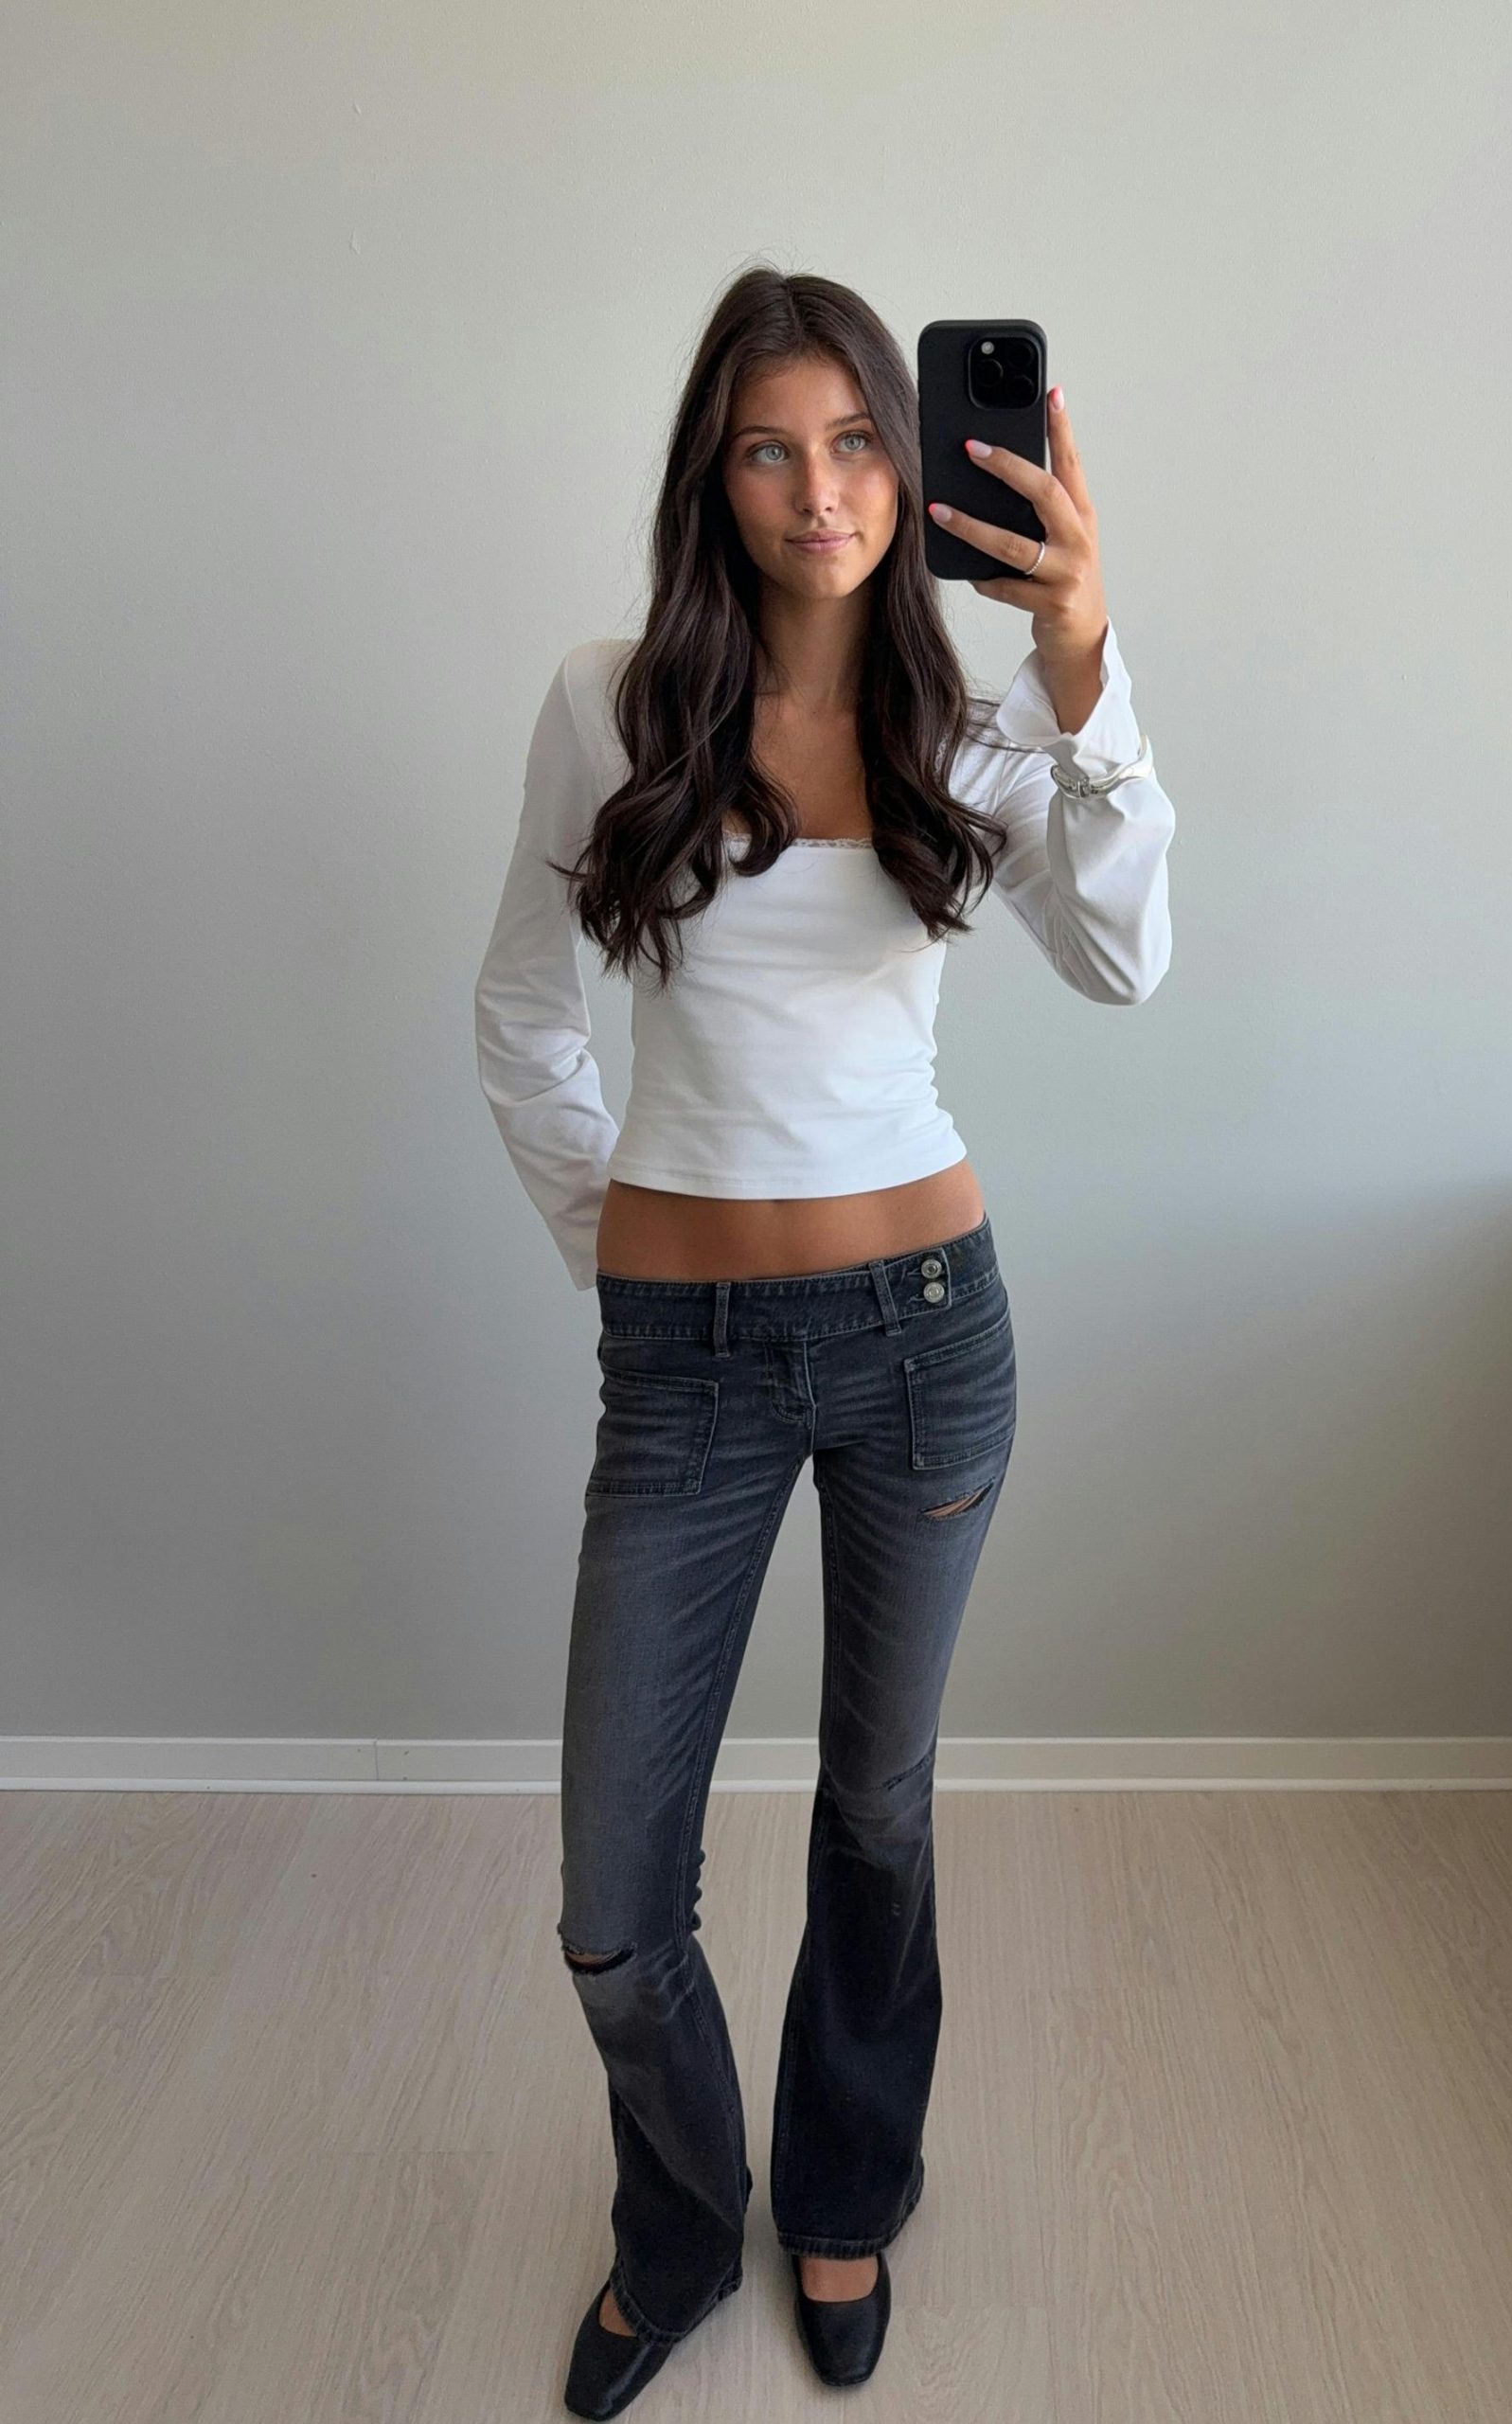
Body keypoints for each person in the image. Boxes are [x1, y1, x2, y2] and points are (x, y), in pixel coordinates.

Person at [472, 265, 1176, 2418]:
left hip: (922, 1342)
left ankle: (847, 2186)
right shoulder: (609, 704)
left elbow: (1127, 961)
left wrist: (1083, 663)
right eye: (770, 449)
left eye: (860, 440)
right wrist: (623, 1249)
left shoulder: (974, 730)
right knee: (615, 1906)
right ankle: (686, 2219)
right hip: (680, 1364)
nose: (823, 491)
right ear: (714, 473)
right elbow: (520, 1008)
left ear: (914, 453)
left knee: (874, 1810)